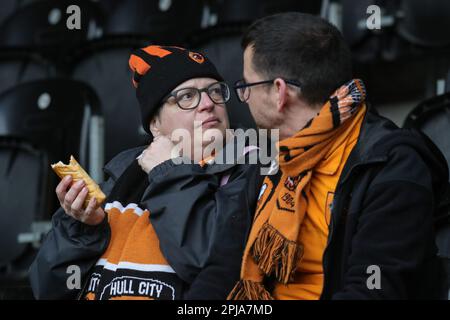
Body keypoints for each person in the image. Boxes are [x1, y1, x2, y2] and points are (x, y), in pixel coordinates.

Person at [227, 12, 449, 300]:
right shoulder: (271, 157)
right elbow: (222, 263)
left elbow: (374, 289)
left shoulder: (391, 164)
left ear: (279, 92)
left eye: (247, 87)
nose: (244, 98)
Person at [28, 45, 261, 300]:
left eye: (215, 91)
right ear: (155, 125)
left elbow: (211, 265)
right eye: (187, 96)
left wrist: (169, 171)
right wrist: (82, 229)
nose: (207, 103)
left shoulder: (252, 168)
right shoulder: (121, 177)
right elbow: (48, 290)